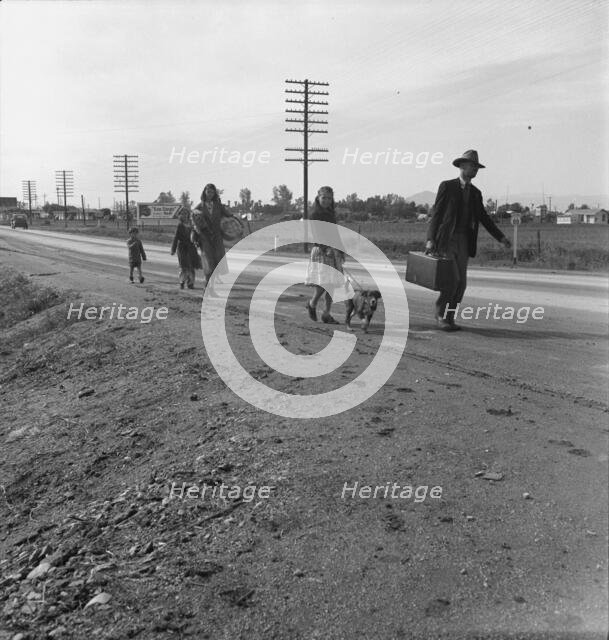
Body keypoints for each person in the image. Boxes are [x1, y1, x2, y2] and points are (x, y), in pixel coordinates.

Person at [426, 150, 511, 331]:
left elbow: (484, 218)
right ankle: (440, 315)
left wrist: (501, 237)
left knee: (461, 284)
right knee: (452, 280)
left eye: (477, 167)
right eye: (473, 166)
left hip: (464, 241)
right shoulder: (447, 187)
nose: (475, 170)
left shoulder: (476, 193)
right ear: (463, 166)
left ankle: (450, 318)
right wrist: (430, 239)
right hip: (447, 240)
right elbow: (437, 214)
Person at [304, 186, 345, 324]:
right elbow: (317, 234)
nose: (326, 200)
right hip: (321, 250)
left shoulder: (330, 213)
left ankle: (327, 313)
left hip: (334, 251)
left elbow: (335, 233)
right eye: (324, 198)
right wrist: (325, 247)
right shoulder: (315, 213)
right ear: (318, 197)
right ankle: (312, 303)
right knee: (324, 283)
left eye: (329, 198)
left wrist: (341, 250)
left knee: (332, 284)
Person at [191, 183, 230, 290]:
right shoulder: (200, 206)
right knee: (208, 259)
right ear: (204, 192)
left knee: (218, 258)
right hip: (205, 236)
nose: (210, 194)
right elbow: (193, 217)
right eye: (208, 192)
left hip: (217, 236)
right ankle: (208, 281)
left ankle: (216, 280)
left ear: (214, 193)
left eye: (212, 192)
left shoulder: (218, 205)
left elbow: (228, 215)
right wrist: (196, 227)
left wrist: (234, 221)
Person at [170, 207, 202, 289]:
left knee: (191, 266)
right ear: (180, 215)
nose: (184, 215)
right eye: (182, 214)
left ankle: (191, 283)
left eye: (186, 213)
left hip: (191, 248)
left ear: (188, 214)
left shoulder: (192, 224)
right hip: (182, 248)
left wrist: (198, 242)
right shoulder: (180, 225)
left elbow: (197, 235)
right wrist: (173, 249)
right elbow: (176, 238)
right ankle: (182, 281)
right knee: (184, 266)